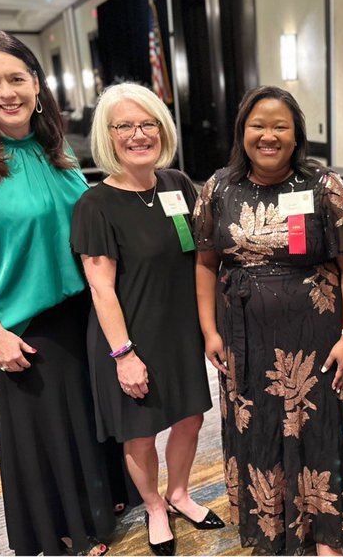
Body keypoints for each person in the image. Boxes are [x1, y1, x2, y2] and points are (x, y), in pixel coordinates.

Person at [0, 30, 125, 557]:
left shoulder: (54, 149)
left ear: (37, 84)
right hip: (23, 323)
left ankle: (100, 506)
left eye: (17, 78)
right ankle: (65, 527)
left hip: (82, 313)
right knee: (49, 434)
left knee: (86, 417)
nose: (7, 92)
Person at [193, 87, 343, 555]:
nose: (268, 136)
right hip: (245, 335)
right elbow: (206, 263)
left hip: (317, 334)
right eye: (258, 125)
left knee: (319, 423)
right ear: (242, 132)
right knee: (259, 423)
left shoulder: (324, 187)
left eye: (280, 126)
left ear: (296, 135)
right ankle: (270, 524)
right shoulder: (218, 189)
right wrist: (209, 331)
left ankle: (326, 531)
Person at [72, 83, 217, 556]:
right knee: (140, 434)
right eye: (125, 126)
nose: (138, 135)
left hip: (179, 332)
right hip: (129, 338)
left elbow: (201, 254)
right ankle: (154, 506)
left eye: (148, 124)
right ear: (107, 135)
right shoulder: (95, 205)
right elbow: (101, 288)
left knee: (190, 419)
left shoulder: (177, 184)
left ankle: (179, 493)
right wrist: (124, 355)